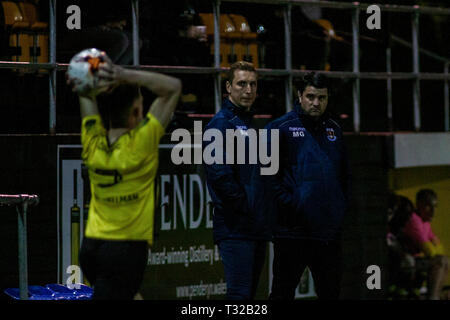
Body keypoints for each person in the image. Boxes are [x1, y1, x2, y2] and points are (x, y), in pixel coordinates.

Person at [67, 58, 181, 299]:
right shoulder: (143, 142)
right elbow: (173, 86)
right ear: (138, 112)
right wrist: (121, 74)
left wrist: (83, 81)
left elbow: (86, 98)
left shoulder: (92, 140)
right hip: (125, 250)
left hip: (91, 247)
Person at [265, 72, 351, 300]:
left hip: (327, 233)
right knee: (282, 292)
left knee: (331, 293)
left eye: (321, 98)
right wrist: (293, 206)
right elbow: (267, 179)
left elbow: (344, 177)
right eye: (311, 96)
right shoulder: (279, 128)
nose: (316, 103)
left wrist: (338, 209)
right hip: (293, 232)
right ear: (300, 95)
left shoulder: (335, 130)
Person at [202, 61, 271, 300]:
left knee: (248, 294)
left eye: (253, 84)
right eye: (242, 84)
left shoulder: (250, 124)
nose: (248, 90)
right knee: (239, 294)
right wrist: (245, 208)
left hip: (254, 226)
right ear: (228, 87)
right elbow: (218, 173)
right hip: (235, 226)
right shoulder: (220, 124)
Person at [402, 189, 449, 300]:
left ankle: (435, 296)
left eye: (435, 206)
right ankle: (432, 297)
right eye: (428, 206)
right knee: (440, 261)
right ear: (418, 205)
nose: (433, 211)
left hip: (415, 261)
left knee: (445, 261)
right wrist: (434, 247)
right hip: (404, 262)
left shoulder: (425, 222)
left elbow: (439, 248)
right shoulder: (414, 220)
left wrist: (434, 247)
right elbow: (429, 250)